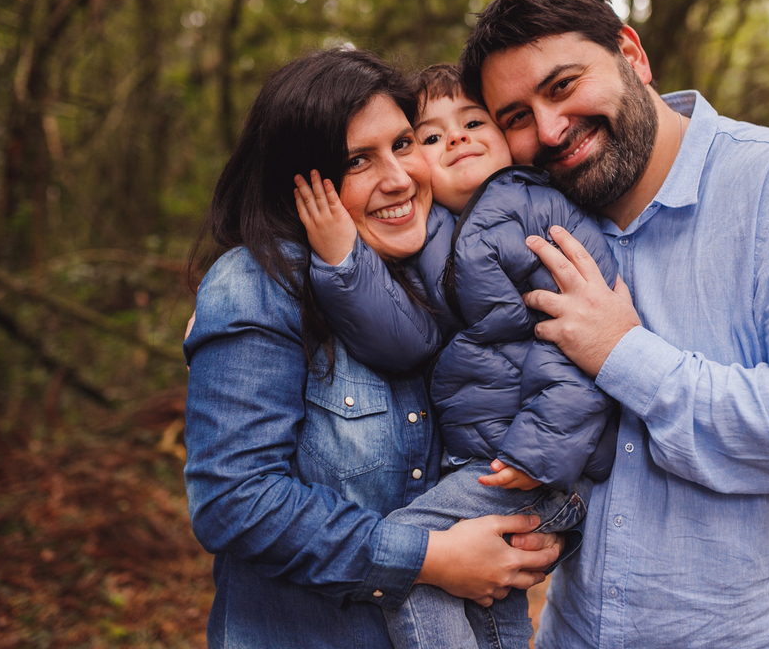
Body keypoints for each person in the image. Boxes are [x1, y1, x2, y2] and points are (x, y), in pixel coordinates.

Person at [456, 0, 769, 648]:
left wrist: (625, 356)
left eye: (563, 85)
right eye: (516, 116)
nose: (549, 129)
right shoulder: (537, 227)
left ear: (631, 55)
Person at [182, 49, 563, 649]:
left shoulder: (442, 276)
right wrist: (428, 556)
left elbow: (501, 435)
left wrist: (530, 534)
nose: (398, 178)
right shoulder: (256, 285)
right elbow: (234, 500)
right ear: (299, 183)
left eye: (405, 144)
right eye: (358, 160)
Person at [292, 63, 619, 649]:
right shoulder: (434, 233)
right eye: (432, 137)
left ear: (507, 137)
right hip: (491, 459)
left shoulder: (538, 211)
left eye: (474, 122)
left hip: (526, 463)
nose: (458, 139)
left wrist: (536, 453)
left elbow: (582, 351)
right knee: (481, 608)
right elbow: (405, 337)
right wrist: (340, 261)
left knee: (413, 553)